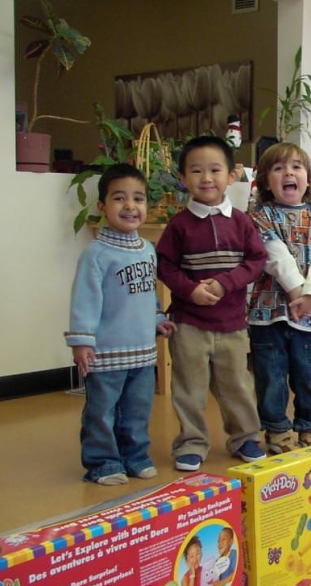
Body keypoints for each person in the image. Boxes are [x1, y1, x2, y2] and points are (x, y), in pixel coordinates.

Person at [156, 136, 266, 471]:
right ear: (182, 178)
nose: (206, 178)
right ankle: (191, 442)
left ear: (231, 175)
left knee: (237, 385)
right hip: (189, 323)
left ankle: (245, 437)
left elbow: (256, 261)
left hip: (232, 323)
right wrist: (190, 291)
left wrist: (224, 283)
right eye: (196, 171)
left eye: (215, 170)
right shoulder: (178, 224)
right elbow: (164, 266)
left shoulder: (241, 221)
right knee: (189, 387)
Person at [65, 163, 176, 486]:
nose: (130, 206)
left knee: (137, 409)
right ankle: (102, 462)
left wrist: (157, 319)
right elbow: (84, 299)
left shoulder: (147, 250)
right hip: (106, 353)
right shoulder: (96, 254)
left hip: (142, 352)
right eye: (119, 198)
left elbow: (147, 295)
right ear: (102, 207)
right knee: (102, 411)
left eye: (138, 198)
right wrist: (81, 341)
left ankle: (134, 456)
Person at [248, 143, 311, 453]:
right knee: (270, 376)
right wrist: (297, 290)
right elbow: (274, 254)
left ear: (307, 178)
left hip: (309, 315)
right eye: (278, 168)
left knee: (309, 374)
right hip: (268, 314)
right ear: (265, 181)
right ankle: (276, 429)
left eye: (296, 167)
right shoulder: (259, 215)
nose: (289, 173)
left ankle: (310, 426)